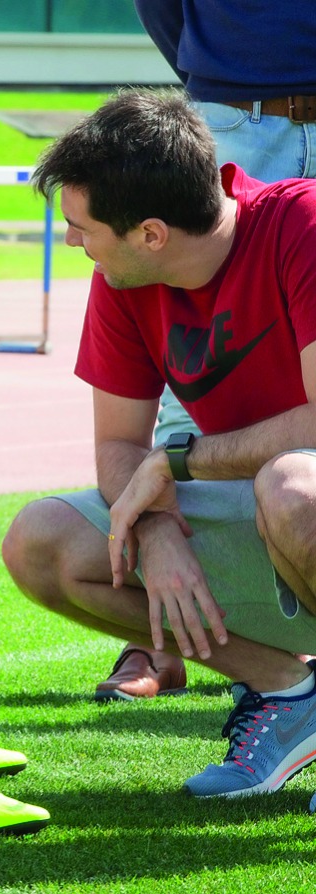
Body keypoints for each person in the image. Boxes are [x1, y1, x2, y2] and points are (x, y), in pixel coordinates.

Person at [1, 90, 316, 799]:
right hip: (262, 510)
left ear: (151, 233)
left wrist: (178, 463)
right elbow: (117, 448)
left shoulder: (303, 222)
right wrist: (159, 532)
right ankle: (289, 692)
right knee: (41, 541)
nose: (75, 242)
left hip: (301, 496)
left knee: (292, 483)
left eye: (83, 228)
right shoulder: (124, 277)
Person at [94, 0, 316, 702]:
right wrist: (213, 72)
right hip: (235, 111)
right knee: (185, 360)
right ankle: (161, 628)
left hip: (233, 102)